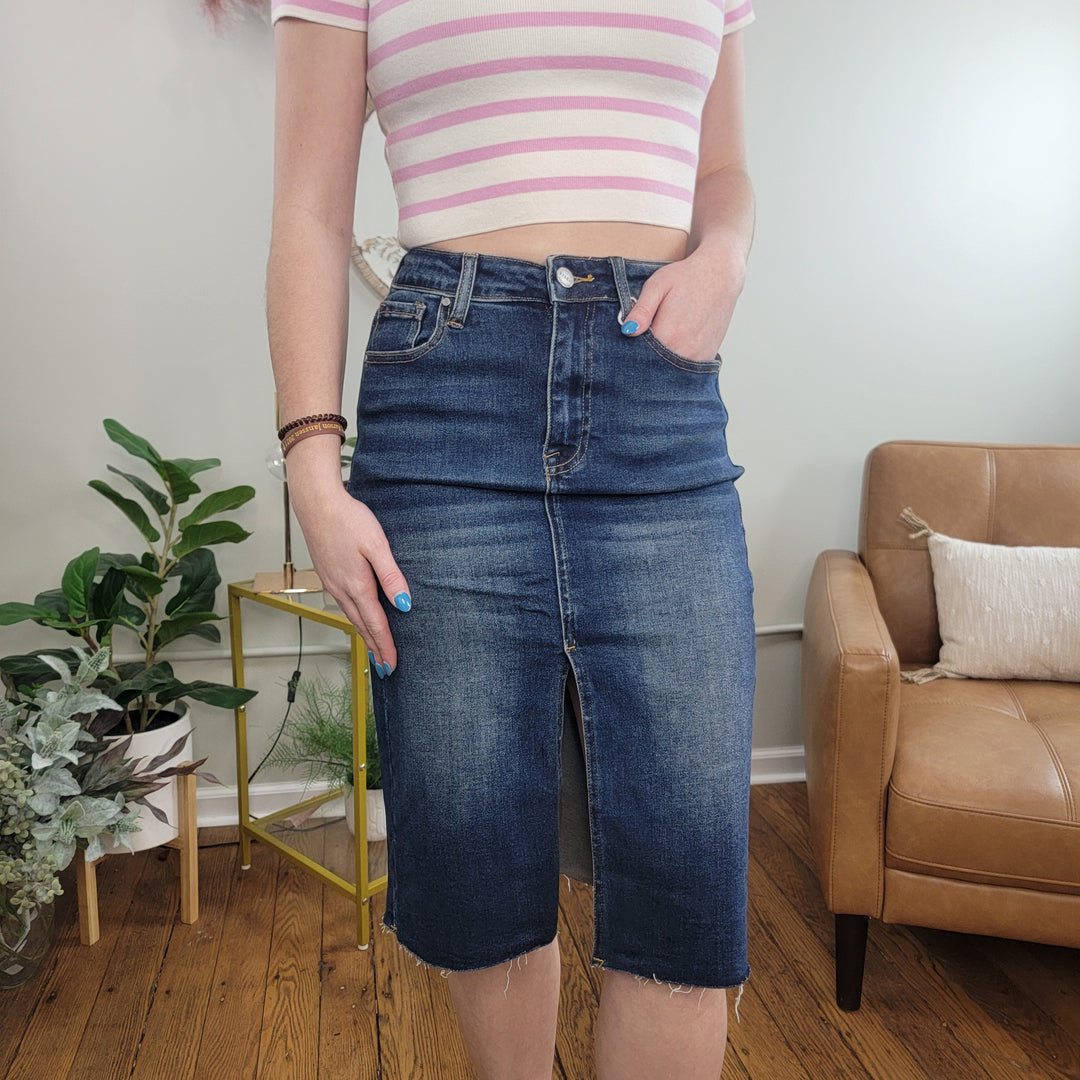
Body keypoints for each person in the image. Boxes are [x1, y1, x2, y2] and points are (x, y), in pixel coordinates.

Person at [266, 2, 757, 1077]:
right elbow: (308, 209)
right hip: (447, 398)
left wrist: (725, 255)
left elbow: (721, 170)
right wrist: (312, 462)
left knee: (688, 875)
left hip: (659, 407)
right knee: (478, 851)